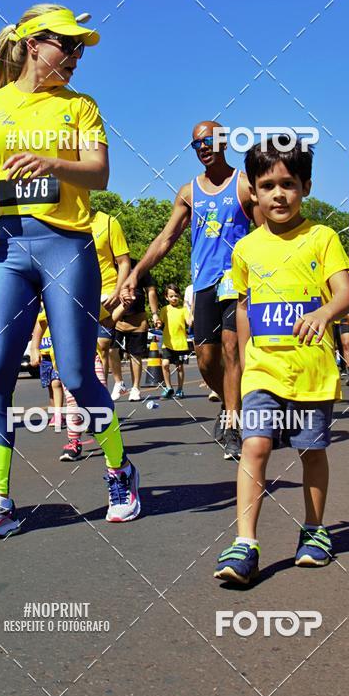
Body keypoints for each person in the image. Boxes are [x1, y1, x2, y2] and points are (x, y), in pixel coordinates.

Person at [0, 3, 140, 544]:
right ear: (34, 44)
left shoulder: (81, 107)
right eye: (68, 46)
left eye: (80, 48)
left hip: (66, 247)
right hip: (7, 249)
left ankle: (120, 473)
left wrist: (53, 163)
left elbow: (100, 172)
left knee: (77, 376)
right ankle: (0, 502)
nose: (77, 57)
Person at [214, 139, 349, 585]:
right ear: (252, 191)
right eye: (267, 184)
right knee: (254, 446)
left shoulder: (322, 237)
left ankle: (314, 532)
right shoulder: (246, 249)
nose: (279, 194)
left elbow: (346, 290)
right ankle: (245, 544)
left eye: (288, 184)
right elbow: (242, 306)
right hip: (262, 370)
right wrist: (241, 355)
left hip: (311, 371)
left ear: (306, 187)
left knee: (311, 452)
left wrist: (325, 311)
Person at [122, 121, 253, 459]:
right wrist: (137, 272)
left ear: (224, 141)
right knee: (207, 360)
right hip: (205, 284)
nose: (204, 148)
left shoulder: (244, 184)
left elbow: (266, 231)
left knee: (231, 349)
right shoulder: (189, 191)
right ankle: (228, 404)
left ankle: (235, 427)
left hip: (237, 282)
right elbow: (166, 238)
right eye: (197, 145)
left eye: (209, 141)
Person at [90, 208, 131, 394]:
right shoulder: (65, 220)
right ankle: (80, 402)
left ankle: (101, 396)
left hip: (106, 294)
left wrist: (118, 290)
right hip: (76, 293)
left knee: (102, 345)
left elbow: (123, 261)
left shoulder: (108, 222)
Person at [112, 257, 159, 401]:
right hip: (116, 318)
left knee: (135, 355)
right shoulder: (108, 266)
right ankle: (118, 382)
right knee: (111, 349)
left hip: (138, 319)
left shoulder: (139, 266)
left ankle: (135, 387)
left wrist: (155, 314)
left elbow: (150, 290)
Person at [30, 306, 63, 430]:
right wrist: (34, 348)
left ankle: (59, 415)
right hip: (44, 355)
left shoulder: (54, 306)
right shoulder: (38, 312)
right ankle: (56, 413)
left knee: (56, 384)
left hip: (55, 353)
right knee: (50, 386)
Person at [156, 283, 192, 399]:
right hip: (167, 343)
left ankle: (180, 389)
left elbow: (188, 320)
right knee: (165, 364)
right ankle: (168, 387)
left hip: (181, 344)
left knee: (180, 367)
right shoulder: (164, 309)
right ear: (166, 297)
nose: (174, 298)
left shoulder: (183, 310)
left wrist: (191, 319)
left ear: (179, 296)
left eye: (176, 296)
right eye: (171, 296)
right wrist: (158, 322)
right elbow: (160, 322)